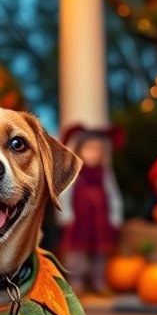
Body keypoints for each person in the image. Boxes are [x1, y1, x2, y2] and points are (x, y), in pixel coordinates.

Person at [57, 124, 125, 296]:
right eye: (89, 149)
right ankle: (76, 282)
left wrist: (115, 216)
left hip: (100, 218)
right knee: (76, 252)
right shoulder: (74, 171)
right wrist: (66, 215)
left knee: (100, 252)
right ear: (79, 150)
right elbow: (64, 194)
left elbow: (113, 194)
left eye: (97, 150)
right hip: (79, 218)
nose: (93, 153)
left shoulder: (105, 172)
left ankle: (98, 281)